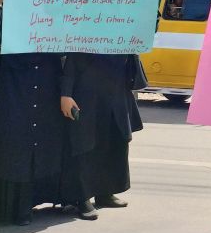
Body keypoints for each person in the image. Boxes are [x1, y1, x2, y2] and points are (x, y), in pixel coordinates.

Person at [0, 0, 65, 226]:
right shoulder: (4, 15)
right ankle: (14, 209)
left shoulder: (55, 16)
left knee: (42, 145)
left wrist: (145, 2)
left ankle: (32, 203)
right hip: (12, 88)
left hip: (46, 87)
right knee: (14, 147)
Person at [59, 52, 146, 220]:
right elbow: (72, 59)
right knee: (84, 144)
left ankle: (105, 192)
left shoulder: (124, 29)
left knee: (114, 140)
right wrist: (66, 93)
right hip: (86, 90)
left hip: (116, 89)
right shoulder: (84, 29)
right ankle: (81, 197)